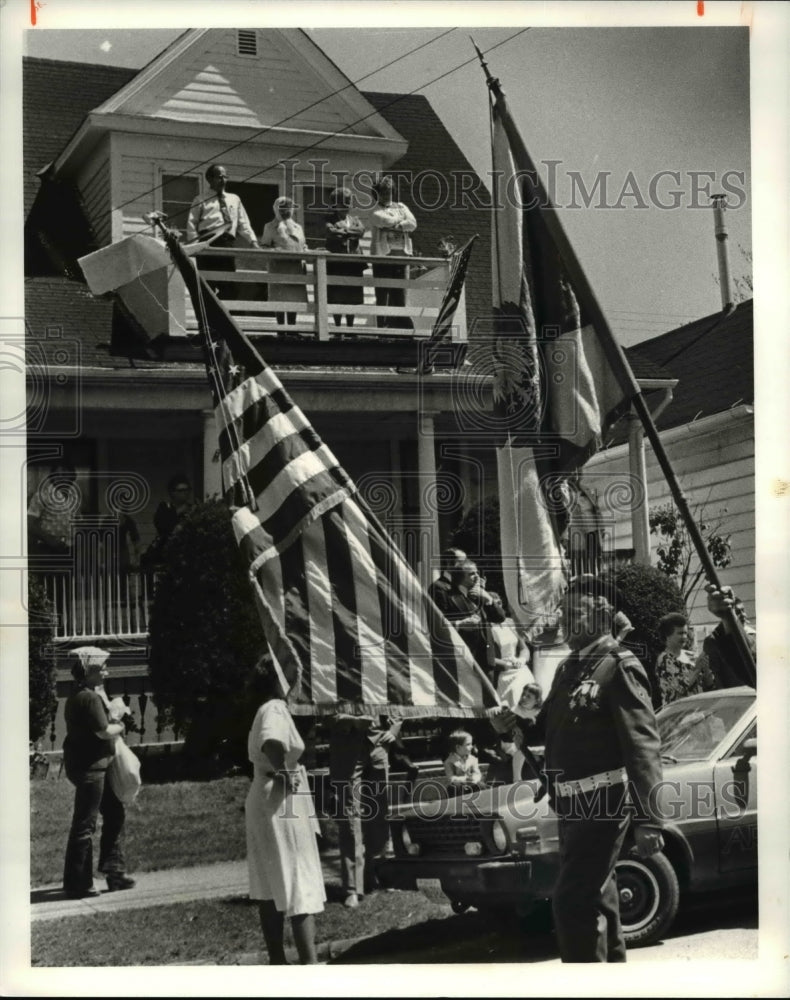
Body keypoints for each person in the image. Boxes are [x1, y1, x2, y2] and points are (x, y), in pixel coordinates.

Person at [493, 575, 664, 963]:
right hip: (571, 806)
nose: (564, 621)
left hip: (602, 803)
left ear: (601, 616)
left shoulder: (618, 666)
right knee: (599, 902)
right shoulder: (570, 667)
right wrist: (513, 723)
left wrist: (651, 819)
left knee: (572, 902)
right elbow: (548, 727)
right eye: (563, 613)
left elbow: (642, 745)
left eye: (575, 613)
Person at [245, 655, 324, 965]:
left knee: (271, 881)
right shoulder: (275, 709)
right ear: (277, 677)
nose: (298, 677)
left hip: (266, 796)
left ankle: (278, 962)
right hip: (279, 798)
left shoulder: (268, 708)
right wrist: (283, 772)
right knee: (298, 878)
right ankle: (310, 965)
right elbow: (271, 743)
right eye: (292, 671)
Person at [62, 646, 135, 899]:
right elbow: (103, 731)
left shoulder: (81, 695)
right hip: (91, 767)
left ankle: (113, 872)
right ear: (90, 670)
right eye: (102, 666)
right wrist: (121, 725)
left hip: (89, 765)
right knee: (85, 824)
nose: (107, 670)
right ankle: (77, 884)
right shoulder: (89, 698)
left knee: (114, 813)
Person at [327, 713, 402, 908]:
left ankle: (378, 875)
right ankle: (353, 888)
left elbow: (395, 698)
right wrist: (350, 721)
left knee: (379, 815)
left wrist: (395, 728)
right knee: (352, 818)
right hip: (347, 749)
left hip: (378, 748)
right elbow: (324, 711)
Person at [185, 164, 260, 299]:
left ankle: (225, 315)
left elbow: (243, 223)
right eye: (219, 177)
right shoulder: (200, 199)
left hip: (227, 243)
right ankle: (207, 318)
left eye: (225, 177)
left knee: (228, 284)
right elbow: (192, 223)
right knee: (207, 285)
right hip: (208, 242)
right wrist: (196, 246)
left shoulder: (234, 199)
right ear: (210, 179)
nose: (223, 180)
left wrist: (253, 241)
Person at [368, 175, 417, 329]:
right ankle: (382, 327)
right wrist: (401, 222)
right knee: (383, 294)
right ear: (377, 193)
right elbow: (382, 220)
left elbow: (413, 223)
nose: (387, 195)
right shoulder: (375, 210)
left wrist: (397, 224)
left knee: (400, 294)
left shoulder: (401, 206)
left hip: (401, 257)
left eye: (389, 191)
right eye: (383, 192)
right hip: (383, 257)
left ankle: (400, 327)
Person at [442, 560, 506, 677]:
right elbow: (437, 625)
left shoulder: (480, 595)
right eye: (472, 574)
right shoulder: (447, 596)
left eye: (477, 572)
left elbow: (500, 618)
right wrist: (459, 624)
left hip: (486, 664)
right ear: (461, 577)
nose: (477, 576)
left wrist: (488, 599)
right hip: (464, 662)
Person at [694, 583, 757, 689]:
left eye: (743, 611)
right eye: (737, 612)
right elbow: (715, 675)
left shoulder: (755, 636)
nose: (743, 615)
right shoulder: (713, 640)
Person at [260, 196, 307, 333]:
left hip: (295, 267)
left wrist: (307, 251)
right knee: (280, 299)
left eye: (289, 207)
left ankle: (292, 329)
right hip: (279, 267)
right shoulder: (270, 226)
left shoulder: (298, 227)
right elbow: (264, 247)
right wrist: (277, 251)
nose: (286, 211)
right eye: (283, 207)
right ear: (276, 209)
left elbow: (302, 245)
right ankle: (281, 329)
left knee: (293, 298)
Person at [324, 186, 366, 330]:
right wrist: (349, 233)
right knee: (337, 296)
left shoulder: (354, 219)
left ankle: (350, 327)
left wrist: (345, 231)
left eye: (348, 203)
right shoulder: (329, 218)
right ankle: (337, 327)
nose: (346, 207)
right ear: (335, 205)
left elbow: (361, 231)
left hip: (353, 263)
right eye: (342, 203)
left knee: (351, 296)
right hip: (337, 263)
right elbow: (331, 232)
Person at [655, 612, 715, 708]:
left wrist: (707, 670)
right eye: (680, 633)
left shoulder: (690, 655)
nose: (684, 637)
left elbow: (708, 685)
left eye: (686, 633)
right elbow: (678, 689)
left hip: (699, 709)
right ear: (667, 635)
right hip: (678, 712)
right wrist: (697, 669)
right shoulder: (665, 659)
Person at [27, 460, 79, 560]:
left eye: (65, 474)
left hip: (70, 549)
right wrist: (50, 540)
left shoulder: (74, 498)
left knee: (68, 575)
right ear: (52, 477)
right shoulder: (42, 495)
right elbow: (29, 523)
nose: (61, 478)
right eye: (57, 474)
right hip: (47, 550)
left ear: (72, 477)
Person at [427, 547, 467, 614]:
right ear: (449, 562)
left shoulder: (465, 586)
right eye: (461, 562)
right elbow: (437, 621)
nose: (465, 566)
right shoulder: (438, 588)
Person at [443, 729, 484, 795]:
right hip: (459, 785)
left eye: (471, 744)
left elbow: (477, 772)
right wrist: (465, 779)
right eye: (468, 744)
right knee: (454, 787)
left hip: (471, 784)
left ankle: (483, 802)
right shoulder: (449, 761)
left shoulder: (472, 759)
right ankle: (457, 803)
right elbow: (451, 778)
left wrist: (475, 778)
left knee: (481, 785)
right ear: (458, 747)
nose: (471, 747)